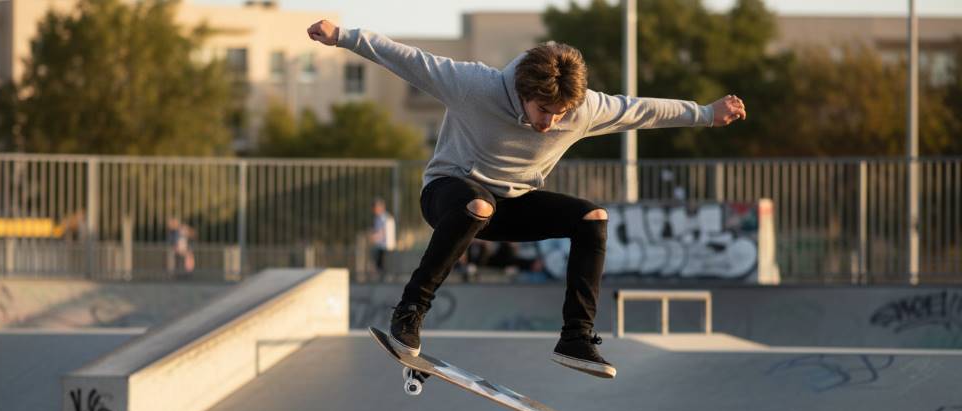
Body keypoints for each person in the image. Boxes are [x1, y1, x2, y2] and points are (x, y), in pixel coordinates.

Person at [307, 20, 746, 378]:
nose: (549, 122)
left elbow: (641, 110)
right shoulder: (473, 86)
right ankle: (410, 312)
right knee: (475, 205)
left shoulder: (583, 109)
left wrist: (706, 114)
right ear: (523, 91)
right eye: (543, 111)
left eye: (559, 115)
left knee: (593, 217)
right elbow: (407, 59)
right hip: (448, 193)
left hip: (511, 204)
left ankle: (576, 336)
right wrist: (343, 36)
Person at [370, 197, 396, 281]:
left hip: (386, 246)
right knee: (379, 263)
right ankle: (381, 277)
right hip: (380, 245)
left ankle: (386, 278)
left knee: (384, 264)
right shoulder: (377, 218)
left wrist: (376, 236)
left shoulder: (385, 217)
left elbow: (385, 230)